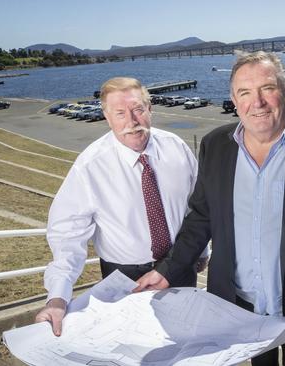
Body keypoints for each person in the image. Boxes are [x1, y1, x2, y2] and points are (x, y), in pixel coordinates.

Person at [135, 52, 285, 366]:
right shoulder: (215, 145)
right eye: (244, 92)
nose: (256, 102)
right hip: (238, 309)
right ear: (233, 99)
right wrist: (166, 270)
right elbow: (200, 218)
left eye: (267, 89)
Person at [36, 77, 208, 336]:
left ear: (150, 109)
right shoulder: (90, 167)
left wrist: (202, 250)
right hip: (126, 278)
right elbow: (66, 236)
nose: (132, 121)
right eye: (120, 113)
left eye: (138, 109)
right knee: (134, 343)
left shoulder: (177, 147)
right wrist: (58, 298)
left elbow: (197, 206)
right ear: (107, 117)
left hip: (179, 265)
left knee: (184, 336)